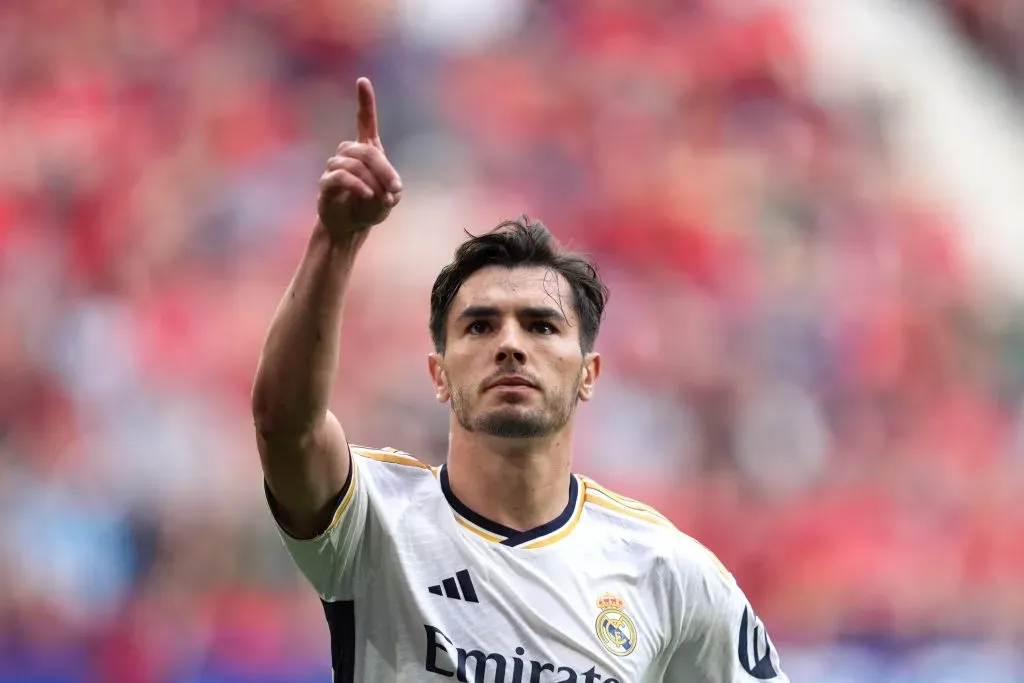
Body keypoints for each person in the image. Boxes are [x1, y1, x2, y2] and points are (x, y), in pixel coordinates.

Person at [251, 77, 789, 683]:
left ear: (588, 375)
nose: (510, 344)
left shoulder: (668, 573)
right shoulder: (376, 522)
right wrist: (338, 239)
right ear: (439, 374)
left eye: (540, 326)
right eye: (480, 327)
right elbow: (283, 425)